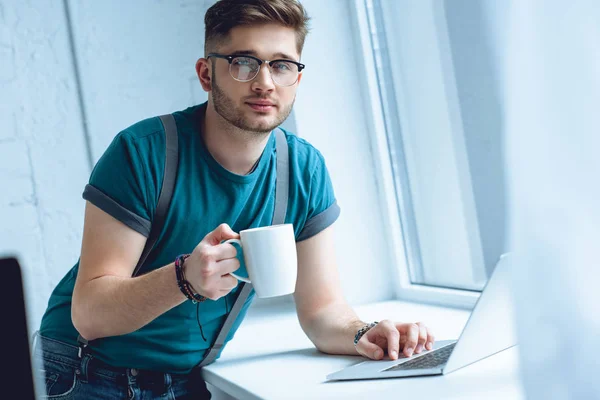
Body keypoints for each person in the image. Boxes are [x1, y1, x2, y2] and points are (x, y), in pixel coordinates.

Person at [36, 0, 435, 398]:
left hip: (184, 381)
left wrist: (364, 333)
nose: (265, 82)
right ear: (206, 74)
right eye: (245, 62)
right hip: (82, 372)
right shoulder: (142, 152)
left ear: (297, 77)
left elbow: (322, 310)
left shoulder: (303, 168)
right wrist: (185, 278)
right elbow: (88, 314)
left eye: (281, 65)